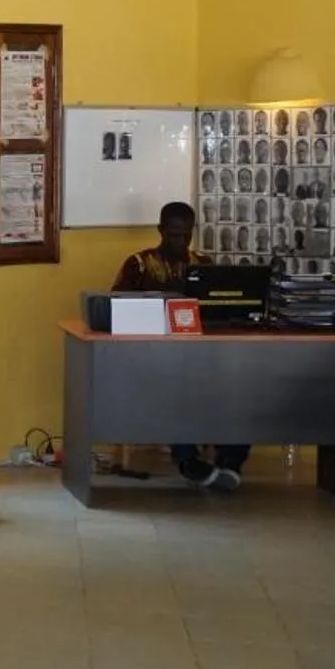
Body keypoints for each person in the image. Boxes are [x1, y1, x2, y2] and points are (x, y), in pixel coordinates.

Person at [112, 203, 248, 490]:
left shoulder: (203, 264)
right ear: (160, 230)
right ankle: (188, 461)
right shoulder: (138, 263)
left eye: (185, 235)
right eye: (174, 235)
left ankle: (230, 463)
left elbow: (219, 312)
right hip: (153, 357)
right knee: (176, 389)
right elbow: (117, 310)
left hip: (198, 355)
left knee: (240, 389)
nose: (180, 242)